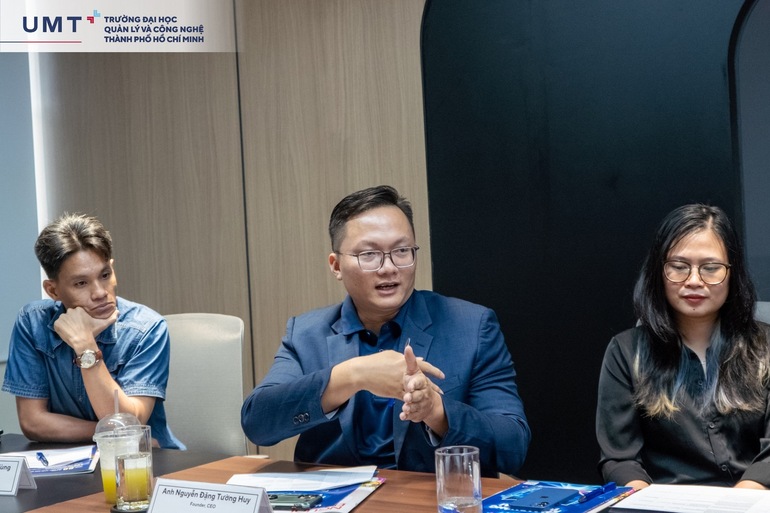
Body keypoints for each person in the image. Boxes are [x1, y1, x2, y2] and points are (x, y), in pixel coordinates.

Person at [241, 185, 530, 476]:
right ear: (336, 265)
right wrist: (353, 375)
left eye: (402, 251)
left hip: (431, 496)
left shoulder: (471, 326)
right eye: (369, 254)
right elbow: (258, 423)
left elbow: (512, 446)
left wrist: (436, 411)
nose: (389, 267)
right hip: (335, 497)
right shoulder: (306, 334)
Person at [596, 204, 770, 489]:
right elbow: (620, 459)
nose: (694, 281)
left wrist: (740, 501)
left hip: (756, 499)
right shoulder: (626, 352)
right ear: (659, 271)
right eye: (678, 267)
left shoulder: (766, 347)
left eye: (710, 268)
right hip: (665, 502)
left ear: (733, 272)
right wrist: (643, 502)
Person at [2, 213, 184, 449]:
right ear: (53, 291)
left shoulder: (146, 328)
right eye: (81, 283)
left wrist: (85, 346)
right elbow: (33, 422)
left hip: (144, 460)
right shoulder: (32, 322)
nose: (100, 292)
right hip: (72, 460)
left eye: (105, 275)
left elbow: (131, 420)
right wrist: (109, 432)